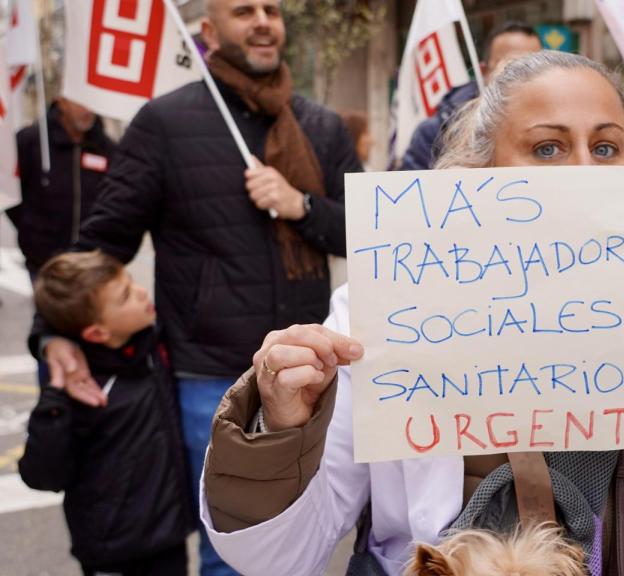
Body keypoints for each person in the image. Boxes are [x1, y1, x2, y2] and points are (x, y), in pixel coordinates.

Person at [199, 51, 624, 576]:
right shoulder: (384, 312)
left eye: (607, 146)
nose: (585, 172)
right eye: (548, 147)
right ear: (482, 170)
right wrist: (280, 428)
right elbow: (274, 555)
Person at [35, 1, 362, 573]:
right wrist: (49, 333)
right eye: (244, 10)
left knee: (303, 544)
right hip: (209, 376)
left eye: (272, 10)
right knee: (230, 548)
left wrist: (301, 206)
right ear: (208, 32)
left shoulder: (321, 125)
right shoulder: (164, 123)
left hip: (309, 377)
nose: (263, 21)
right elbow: (101, 243)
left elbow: (365, 236)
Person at [19, 251, 193, 576]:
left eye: (131, 282)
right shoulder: (78, 387)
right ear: (97, 333)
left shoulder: (152, 348)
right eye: (126, 295)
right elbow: (41, 474)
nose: (140, 291)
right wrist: (53, 409)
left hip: (167, 536)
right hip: (113, 551)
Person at [398, 20, 542, 170]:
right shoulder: (434, 133)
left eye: (536, 65)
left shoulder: (559, 118)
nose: (525, 75)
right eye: (511, 64)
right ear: (484, 72)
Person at [6, 97, 115, 279]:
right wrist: (30, 227)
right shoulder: (31, 141)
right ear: (62, 102)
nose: (87, 110)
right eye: (80, 101)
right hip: (43, 262)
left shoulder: (108, 149)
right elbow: (11, 191)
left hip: (90, 263)